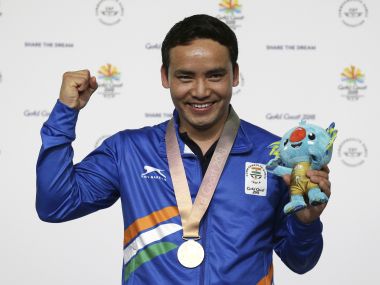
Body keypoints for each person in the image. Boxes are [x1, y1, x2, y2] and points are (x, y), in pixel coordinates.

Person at [36, 14, 331, 284]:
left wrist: (306, 223)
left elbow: (301, 261)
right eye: (185, 77)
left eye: (215, 75)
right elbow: (55, 205)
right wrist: (65, 112)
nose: (201, 91)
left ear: (235, 74)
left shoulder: (272, 154)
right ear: (165, 76)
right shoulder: (129, 150)